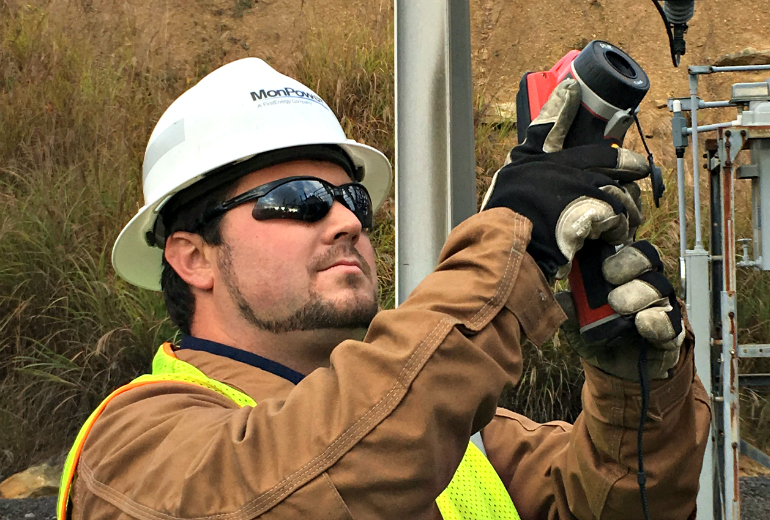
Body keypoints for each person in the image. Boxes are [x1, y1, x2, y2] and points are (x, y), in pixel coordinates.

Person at [57, 58, 709, 520]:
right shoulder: (130, 452)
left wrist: (638, 385)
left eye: (353, 198)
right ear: (193, 257)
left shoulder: (460, 429)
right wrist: (517, 239)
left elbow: (621, 501)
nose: (344, 220)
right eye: (300, 199)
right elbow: (297, 484)